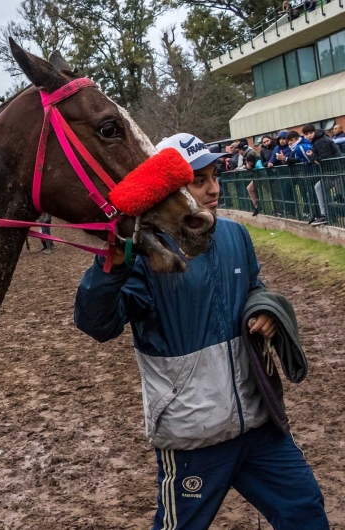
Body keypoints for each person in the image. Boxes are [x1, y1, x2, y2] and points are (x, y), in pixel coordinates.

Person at [74, 133, 329, 530]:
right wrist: (112, 262)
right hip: (194, 435)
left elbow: (253, 287)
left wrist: (264, 309)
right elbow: (97, 325)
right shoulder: (144, 254)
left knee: (305, 510)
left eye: (215, 175)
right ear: (168, 192)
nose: (213, 188)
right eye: (198, 180)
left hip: (259, 424)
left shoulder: (235, 235)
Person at [303, 123, 342, 226]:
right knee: (319, 187)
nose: (309, 136)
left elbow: (322, 159)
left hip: (336, 171)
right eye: (306, 134)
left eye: (310, 133)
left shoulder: (321, 141)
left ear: (314, 132)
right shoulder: (317, 140)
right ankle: (324, 215)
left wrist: (312, 156)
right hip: (330, 172)